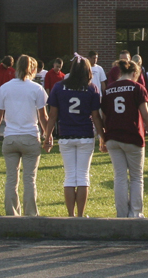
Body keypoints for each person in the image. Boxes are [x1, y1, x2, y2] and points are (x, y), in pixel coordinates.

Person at [0, 55, 49, 216]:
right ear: (33, 69)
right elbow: (43, 116)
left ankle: (11, 212)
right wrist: (48, 135)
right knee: (29, 179)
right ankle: (30, 213)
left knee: (11, 179)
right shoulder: (36, 89)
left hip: (11, 137)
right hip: (30, 136)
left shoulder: (5, 88)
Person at [44, 56, 104, 217]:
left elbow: (52, 115)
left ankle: (70, 215)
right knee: (83, 176)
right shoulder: (91, 88)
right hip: (85, 134)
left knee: (70, 177)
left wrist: (48, 136)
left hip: (66, 135)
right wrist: (102, 136)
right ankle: (80, 215)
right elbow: (96, 116)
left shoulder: (58, 87)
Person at [103, 59, 148, 218]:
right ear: (135, 73)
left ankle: (121, 213)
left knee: (120, 177)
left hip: (113, 136)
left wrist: (103, 137)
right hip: (132, 136)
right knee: (136, 177)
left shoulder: (108, 89)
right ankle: (135, 213)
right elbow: (146, 116)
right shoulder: (138, 88)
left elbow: (104, 116)